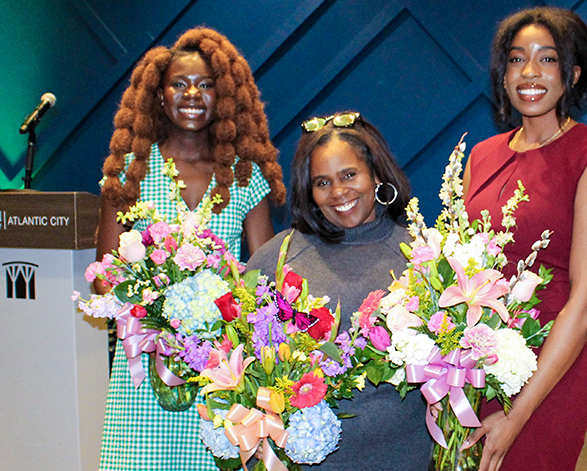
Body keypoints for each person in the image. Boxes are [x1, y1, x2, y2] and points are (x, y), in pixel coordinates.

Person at [95, 27, 286, 470]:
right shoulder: (128, 173)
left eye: (205, 85)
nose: (192, 94)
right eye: (179, 84)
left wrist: (218, 314)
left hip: (221, 369)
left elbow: (263, 277)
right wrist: (157, 309)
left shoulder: (245, 176)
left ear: (224, 97)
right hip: (144, 373)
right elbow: (105, 277)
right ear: (159, 96)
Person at [461, 7, 587, 471]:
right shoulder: (482, 154)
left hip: (549, 372)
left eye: (547, 59)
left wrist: (517, 414)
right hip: (476, 361)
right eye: (516, 59)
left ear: (572, 72)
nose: (529, 72)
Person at [246, 112, 432, 470]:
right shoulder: (278, 258)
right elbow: (242, 364)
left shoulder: (422, 253)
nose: (339, 192)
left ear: (376, 174)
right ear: (309, 191)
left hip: (405, 457)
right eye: (323, 182)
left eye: (349, 175)